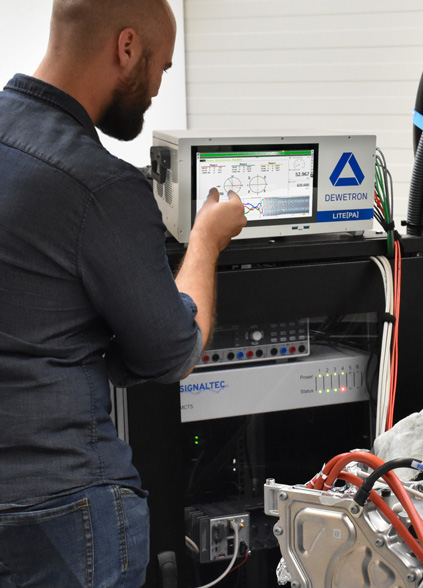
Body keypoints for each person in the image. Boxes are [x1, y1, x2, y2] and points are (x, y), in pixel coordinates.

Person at [0, 0, 246, 585]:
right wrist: (206, 242)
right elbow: (172, 352)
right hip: (64, 510)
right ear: (127, 46)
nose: (158, 87)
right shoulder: (99, 185)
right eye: (160, 66)